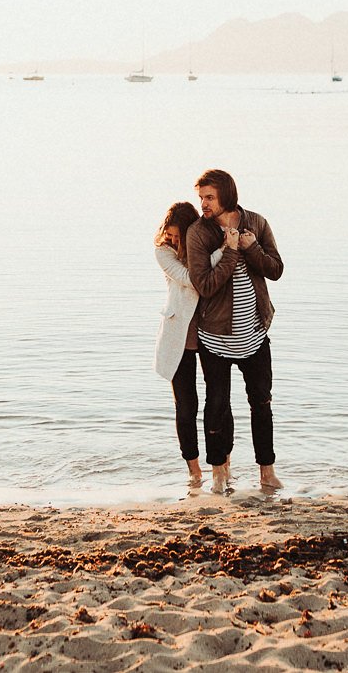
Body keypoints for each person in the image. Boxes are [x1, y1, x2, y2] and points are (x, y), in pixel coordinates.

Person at [184, 167, 284, 493]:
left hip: (255, 334)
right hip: (214, 338)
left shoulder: (256, 222)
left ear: (226, 195)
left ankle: (267, 474)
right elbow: (206, 285)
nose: (203, 203)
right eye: (201, 197)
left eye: (209, 197)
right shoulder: (199, 233)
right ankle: (219, 475)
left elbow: (276, 270)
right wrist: (229, 252)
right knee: (216, 406)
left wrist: (252, 248)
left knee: (261, 404)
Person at [153, 201, 205, 492]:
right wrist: (223, 254)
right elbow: (190, 279)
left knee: (216, 403)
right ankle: (195, 471)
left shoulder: (201, 246)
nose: (171, 240)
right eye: (169, 234)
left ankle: (223, 465)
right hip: (178, 335)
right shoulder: (163, 252)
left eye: (176, 235)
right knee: (186, 405)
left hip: (210, 332)